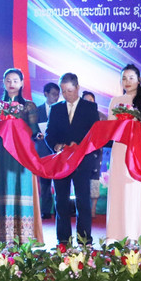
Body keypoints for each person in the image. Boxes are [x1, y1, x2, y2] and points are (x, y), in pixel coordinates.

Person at [0, 68, 43, 244]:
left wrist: (38, 136)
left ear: (21, 83)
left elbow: (34, 131)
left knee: (23, 190)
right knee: (4, 190)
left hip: (23, 154)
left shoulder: (29, 106)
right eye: (8, 80)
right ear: (4, 83)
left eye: (15, 80)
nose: (12, 84)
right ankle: (3, 237)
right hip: (4, 153)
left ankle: (25, 237)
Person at [45, 72, 101, 245]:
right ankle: (63, 240)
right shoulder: (56, 108)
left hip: (82, 161)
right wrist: (55, 145)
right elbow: (49, 133)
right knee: (60, 200)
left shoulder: (90, 108)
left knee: (82, 200)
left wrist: (80, 147)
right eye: (63, 91)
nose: (66, 95)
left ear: (77, 88)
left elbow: (95, 135)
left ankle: (84, 240)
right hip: (61, 161)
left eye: (69, 91)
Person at [106, 64, 141, 241]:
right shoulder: (115, 101)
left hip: (138, 148)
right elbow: (110, 127)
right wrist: (121, 126)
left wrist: (134, 126)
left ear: (139, 80)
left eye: (131, 78)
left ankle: (138, 234)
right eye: (124, 78)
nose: (127, 82)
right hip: (119, 149)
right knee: (119, 188)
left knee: (136, 187)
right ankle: (117, 236)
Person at [35, 82, 60, 219]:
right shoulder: (37, 111)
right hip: (43, 149)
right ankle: (45, 210)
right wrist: (37, 135)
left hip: (57, 149)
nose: (56, 97)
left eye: (57, 95)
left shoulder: (62, 109)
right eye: (53, 94)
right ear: (45, 94)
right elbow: (32, 130)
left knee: (59, 181)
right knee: (44, 182)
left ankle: (59, 209)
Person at [81, 90, 106, 217]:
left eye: (90, 100)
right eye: (85, 100)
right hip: (81, 152)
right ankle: (83, 209)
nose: (88, 103)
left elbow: (106, 133)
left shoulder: (100, 116)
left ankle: (93, 209)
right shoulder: (76, 116)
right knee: (82, 180)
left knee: (94, 180)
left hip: (96, 151)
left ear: (94, 102)